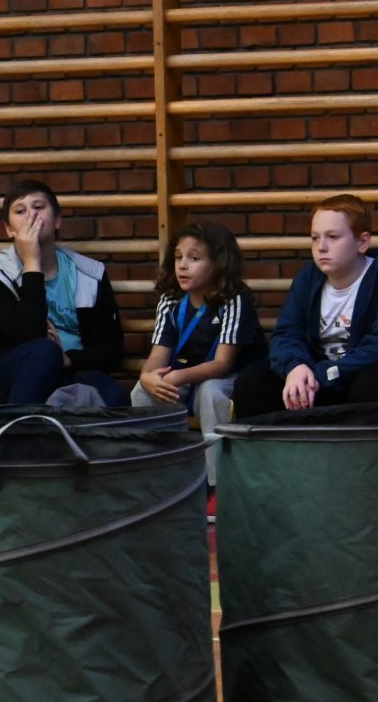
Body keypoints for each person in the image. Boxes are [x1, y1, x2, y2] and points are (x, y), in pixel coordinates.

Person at [0, 180, 129, 408]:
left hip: (71, 369)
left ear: (57, 220)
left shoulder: (89, 274)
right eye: (20, 211)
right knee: (44, 351)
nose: (31, 216)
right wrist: (32, 263)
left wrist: (68, 359)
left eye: (39, 207)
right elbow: (27, 333)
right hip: (14, 375)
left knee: (115, 397)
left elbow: (112, 349)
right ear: (9, 229)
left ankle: (58, 420)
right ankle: (15, 436)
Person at [129, 220, 261, 487]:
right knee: (141, 392)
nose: (182, 265)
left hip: (230, 379)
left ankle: (217, 484)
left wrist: (178, 377)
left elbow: (223, 364)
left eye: (194, 258)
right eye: (178, 257)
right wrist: (148, 376)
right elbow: (158, 355)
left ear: (218, 263)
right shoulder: (171, 300)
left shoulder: (233, 300)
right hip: (186, 376)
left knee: (210, 392)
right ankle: (165, 475)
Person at [231, 193, 378, 418]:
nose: (321, 247)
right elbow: (286, 334)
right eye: (315, 238)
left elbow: (374, 349)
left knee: (372, 383)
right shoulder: (308, 277)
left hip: (352, 375)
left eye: (333, 237)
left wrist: (322, 374)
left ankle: (358, 453)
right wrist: (295, 367)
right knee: (252, 383)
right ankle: (271, 453)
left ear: (362, 242)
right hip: (313, 375)